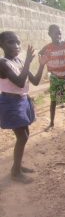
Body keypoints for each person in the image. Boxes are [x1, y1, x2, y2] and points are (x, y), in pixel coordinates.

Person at [0, 31, 47, 183]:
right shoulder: (3, 63)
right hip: (11, 103)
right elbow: (20, 82)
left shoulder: (19, 61)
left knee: (25, 133)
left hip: (23, 100)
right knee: (23, 136)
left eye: (18, 42)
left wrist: (41, 65)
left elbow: (35, 81)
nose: (16, 45)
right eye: (10, 42)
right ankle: (15, 172)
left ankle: (18, 166)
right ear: (1, 45)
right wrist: (27, 60)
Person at [39, 24, 65, 132]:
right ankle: (51, 123)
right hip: (55, 79)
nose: (59, 35)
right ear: (49, 34)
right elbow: (40, 56)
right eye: (56, 33)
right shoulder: (47, 48)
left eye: (60, 33)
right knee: (53, 101)